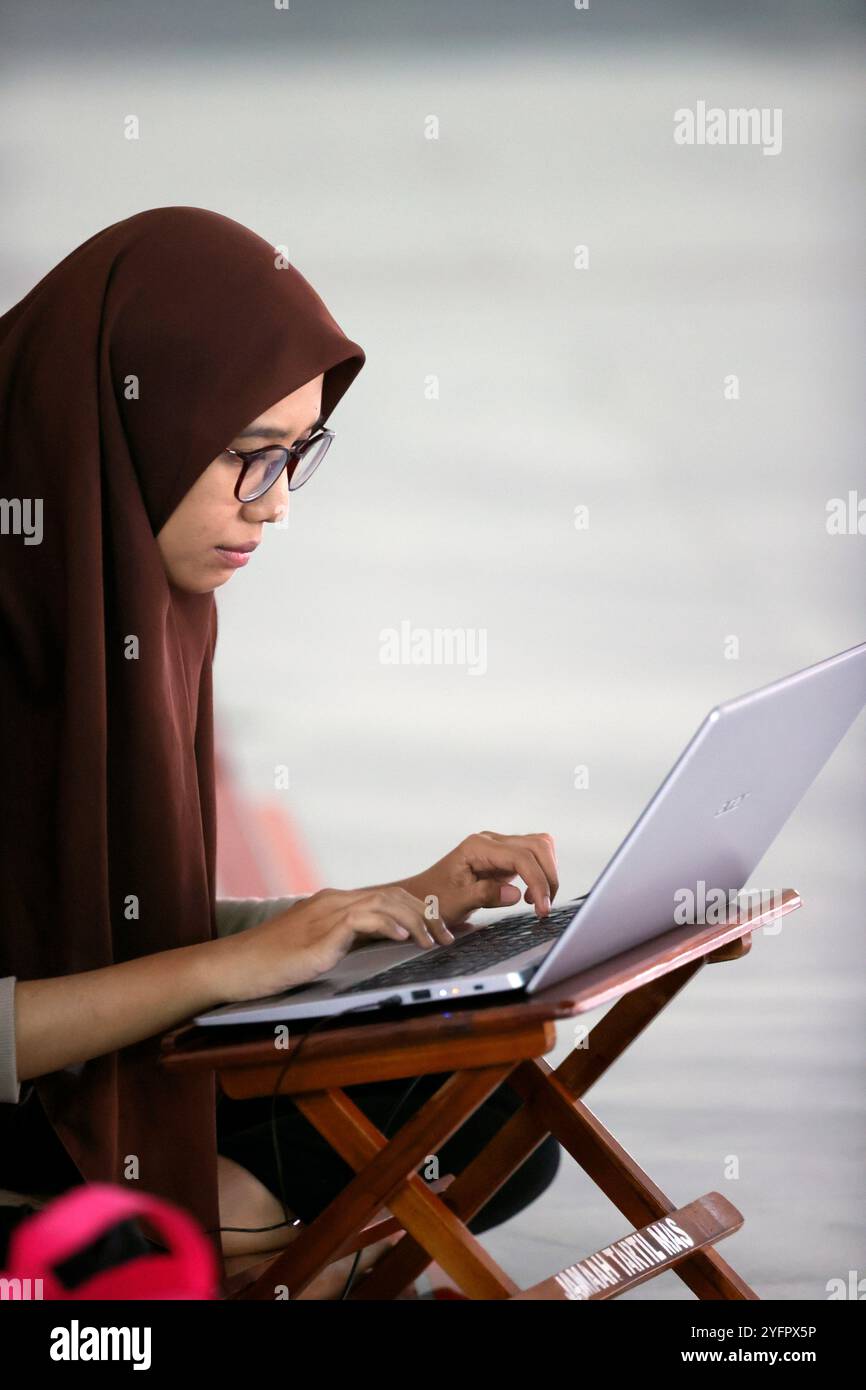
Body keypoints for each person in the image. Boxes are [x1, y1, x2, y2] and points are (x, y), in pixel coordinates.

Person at [0, 207, 561, 1295]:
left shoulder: (138, 597)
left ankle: (215, 1247)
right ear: (134, 429)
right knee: (333, 1175)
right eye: (248, 459)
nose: (275, 507)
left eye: (296, 457)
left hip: (85, 1088)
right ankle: (222, 1249)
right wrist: (233, 965)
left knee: (495, 1113)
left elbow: (93, 927)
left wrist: (391, 907)